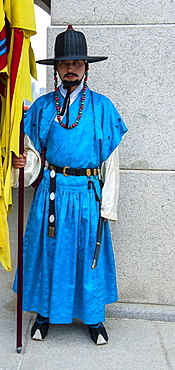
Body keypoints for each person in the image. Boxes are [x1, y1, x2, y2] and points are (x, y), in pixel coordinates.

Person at [12, 25, 127, 345]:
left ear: (86, 68)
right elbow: (33, 153)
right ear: (57, 69)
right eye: (65, 63)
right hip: (50, 194)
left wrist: (108, 204)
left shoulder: (103, 107)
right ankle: (45, 314)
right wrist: (23, 164)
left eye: (77, 63)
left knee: (87, 255)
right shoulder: (42, 107)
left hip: (87, 195)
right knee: (47, 254)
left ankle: (93, 319)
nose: (71, 68)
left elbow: (111, 162)